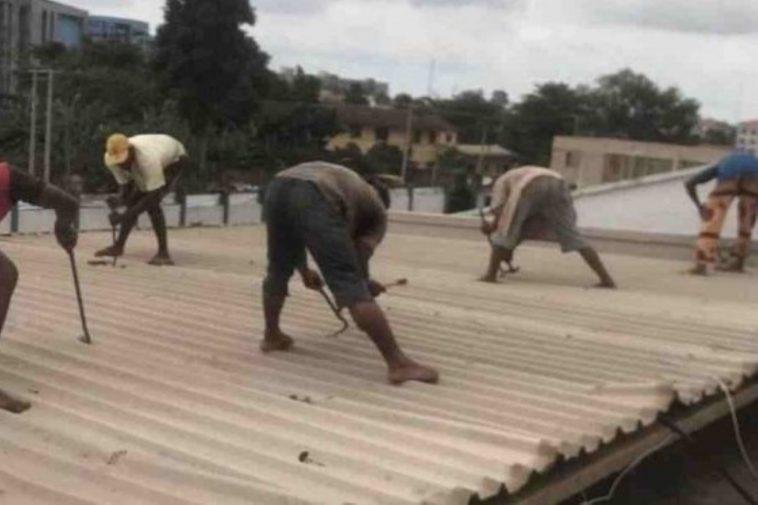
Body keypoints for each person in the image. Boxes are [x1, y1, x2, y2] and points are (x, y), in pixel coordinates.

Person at [261, 161, 439, 385]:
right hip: (316, 192)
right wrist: (364, 284)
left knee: (277, 268)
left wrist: (304, 270)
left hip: (278, 186)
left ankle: (271, 335)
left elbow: (293, 236)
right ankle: (398, 364)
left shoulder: (350, 186)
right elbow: (359, 255)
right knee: (348, 282)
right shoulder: (376, 212)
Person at [0, 161, 78, 413]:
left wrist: (62, 226)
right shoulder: (9, 177)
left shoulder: (9, 178)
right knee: (4, 274)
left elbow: (67, 203)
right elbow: (67, 203)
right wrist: (64, 227)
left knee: (5, 274)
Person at [480, 166, 616, 288]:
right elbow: (526, 226)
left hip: (529, 184)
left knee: (505, 232)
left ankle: (490, 275)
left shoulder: (500, 182)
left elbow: (502, 216)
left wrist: (491, 227)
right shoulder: (518, 173)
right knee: (575, 237)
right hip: (558, 182)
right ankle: (606, 279)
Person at [95, 133, 190, 266]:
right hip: (155, 153)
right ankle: (118, 246)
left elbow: (153, 196)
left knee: (153, 205)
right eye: (119, 163)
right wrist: (119, 199)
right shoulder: (110, 159)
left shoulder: (148, 159)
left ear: (131, 151)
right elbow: (125, 186)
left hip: (175, 159)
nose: (123, 166)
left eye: (124, 161)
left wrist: (123, 217)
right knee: (133, 201)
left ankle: (164, 253)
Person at [685, 151, 758, 275]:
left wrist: (700, 207)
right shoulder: (752, 162)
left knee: (712, 219)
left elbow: (690, 183)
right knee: (747, 218)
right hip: (755, 176)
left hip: (730, 173)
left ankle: (702, 264)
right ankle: (738, 262)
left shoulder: (721, 166)